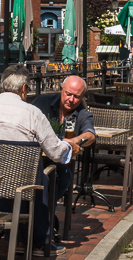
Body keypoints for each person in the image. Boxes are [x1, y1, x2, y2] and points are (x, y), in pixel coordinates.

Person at [0, 63, 77, 257]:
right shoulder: (32, 113)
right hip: (19, 193)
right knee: (46, 176)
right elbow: (56, 152)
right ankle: (36, 242)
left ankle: (20, 239)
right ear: (24, 89)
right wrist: (70, 146)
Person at [33, 74, 98, 216]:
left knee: (56, 180)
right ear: (61, 89)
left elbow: (91, 136)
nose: (71, 99)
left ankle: (44, 217)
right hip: (34, 161)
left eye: (76, 96)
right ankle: (44, 219)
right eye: (68, 94)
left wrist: (73, 142)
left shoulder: (82, 113)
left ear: (83, 97)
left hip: (60, 165)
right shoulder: (42, 102)